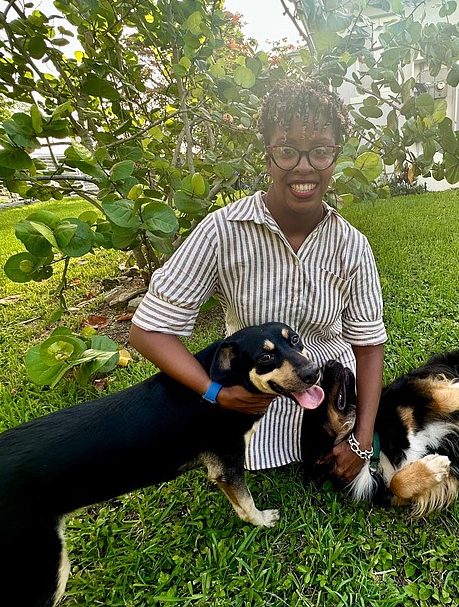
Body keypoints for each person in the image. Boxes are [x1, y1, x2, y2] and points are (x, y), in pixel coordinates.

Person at [129, 78, 386, 482]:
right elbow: (149, 330)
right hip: (253, 416)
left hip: (333, 408)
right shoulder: (222, 231)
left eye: (320, 151)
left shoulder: (351, 245)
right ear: (267, 157)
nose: (304, 167)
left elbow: (368, 349)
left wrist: (361, 443)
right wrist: (214, 392)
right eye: (287, 151)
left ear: (335, 157)